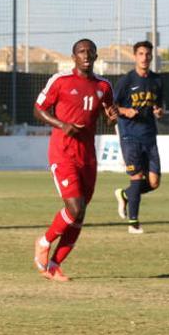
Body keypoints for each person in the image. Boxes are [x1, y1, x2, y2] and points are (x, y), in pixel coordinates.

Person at [32, 39, 117, 281]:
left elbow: (110, 114)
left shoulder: (104, 86)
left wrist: (113, 117)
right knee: (75, 206)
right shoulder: (60, 81)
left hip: (88, 156)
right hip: (63, 153)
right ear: (74, 57)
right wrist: (62, 125)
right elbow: (38, 109)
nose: (86, 55)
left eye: (90, 52)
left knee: (80, 214)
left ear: (96, 56)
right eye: (81, 51)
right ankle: (43, 242)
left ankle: (54, 265)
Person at [113, 40, 164, 234]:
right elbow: (112, 106)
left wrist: (159, 112)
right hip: (130, 136)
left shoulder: (157, 81)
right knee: (137, 177)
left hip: (149, 136)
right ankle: (133, 223)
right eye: (141, 54)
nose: (145, 57)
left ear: (152, 57)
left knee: (153, 183)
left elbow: (159, 107)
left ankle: (125, 195)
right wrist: (126, 111)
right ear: (135, 56)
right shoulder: (126, 81)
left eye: (148, 54)